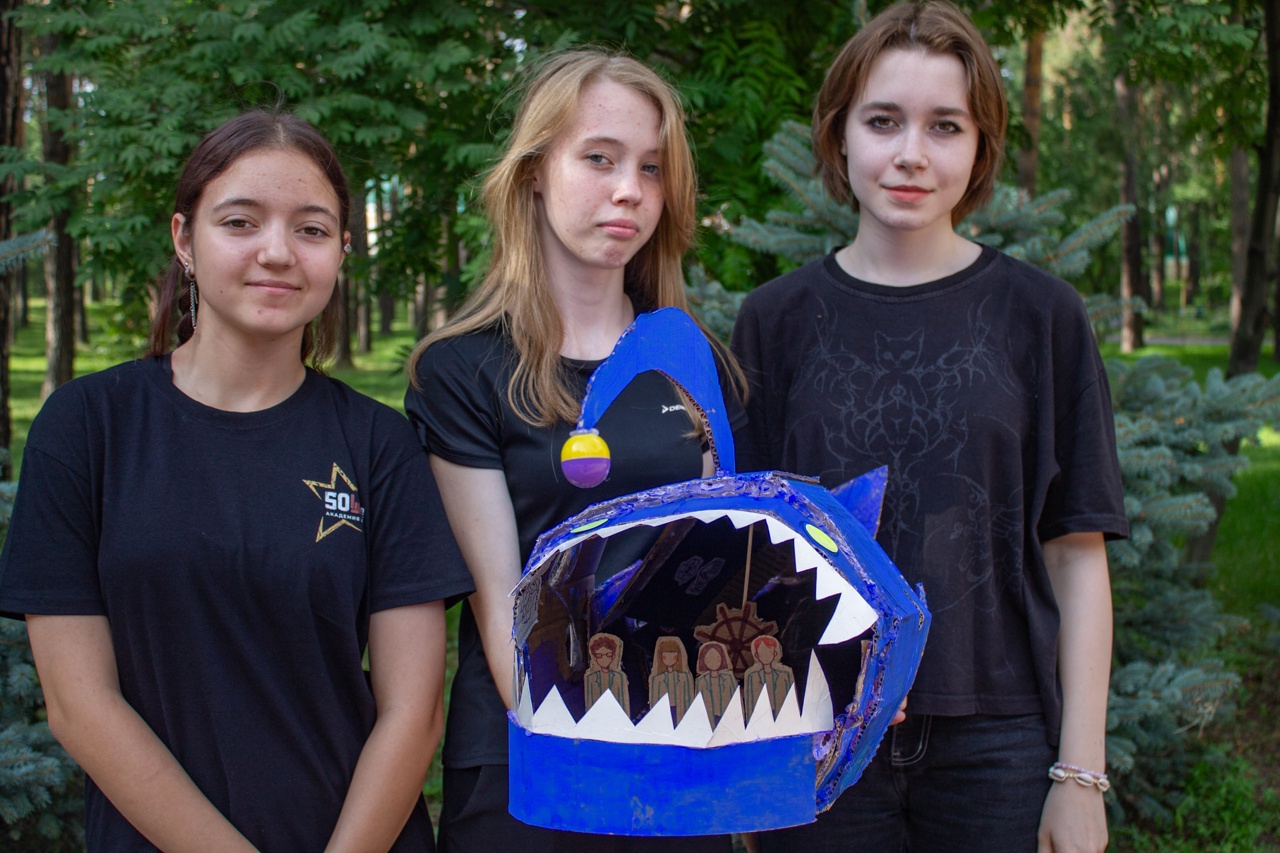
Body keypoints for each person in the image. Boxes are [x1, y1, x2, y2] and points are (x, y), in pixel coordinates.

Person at [0, 111, 473, 852]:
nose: (277, 252)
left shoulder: (379, 444)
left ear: (341, 252)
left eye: (311, 230)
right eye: (240, 222)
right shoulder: (86, 427)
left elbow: (413, 714)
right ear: (185, 239)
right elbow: (78, 703)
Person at [730, 3, 1128, 852]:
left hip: (1000, 744)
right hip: (814, 733)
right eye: (883, 121)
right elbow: (751, 555)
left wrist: (1080, 774)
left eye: (945, 125)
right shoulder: (774, 322)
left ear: (981, 146)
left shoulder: (1042, 316)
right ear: (839, 136)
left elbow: (1076, 553)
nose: (911, 152)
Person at [406, 48, 741, 853]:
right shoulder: (462, 370)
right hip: (532, 757)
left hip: (679, 752)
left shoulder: (688, 358)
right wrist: (595, 729)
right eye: (599, 158)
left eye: (651, 168)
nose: (630, 189)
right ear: (533, 173)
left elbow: (719, 563)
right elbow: (502, 605)